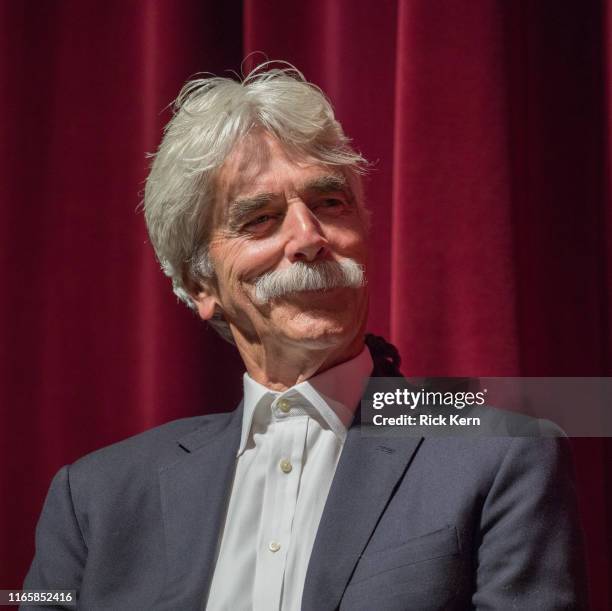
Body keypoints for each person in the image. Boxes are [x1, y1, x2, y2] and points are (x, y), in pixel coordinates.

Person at [23, 63, 588, 610]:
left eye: (330, 203)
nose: (309, 237)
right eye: (261, 218)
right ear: (201, 283)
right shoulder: (93, 498)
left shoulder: (499, 450)